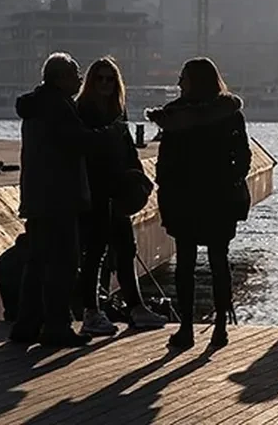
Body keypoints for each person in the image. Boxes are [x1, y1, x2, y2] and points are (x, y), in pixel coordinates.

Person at [147, 57, 251, 351]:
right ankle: (220, 327)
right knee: (219, 261)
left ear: (195, 80)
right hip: (219, 198)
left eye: (183, 77)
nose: (179, 83)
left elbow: (166, 162)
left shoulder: (174, 115)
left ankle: (187, 328)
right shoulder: (229, 113)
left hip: (184, 198)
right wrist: (230, 179)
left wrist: (166, 190)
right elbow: (242, 156)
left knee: (185, 265)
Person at [11, 53, 106, 347]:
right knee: (63, 263)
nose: (80, 79)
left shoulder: (35, 106)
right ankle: (56, 326)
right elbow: (77, 141)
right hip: (60, 197)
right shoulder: (58, 107)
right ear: (60, 78)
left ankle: (26, 325)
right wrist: (106, 136)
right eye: (75, 73)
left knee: (37, 261)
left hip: (37, 195)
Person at [74, 57, 168, 337]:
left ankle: (136, 307)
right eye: (100, 78)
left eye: (110, 79)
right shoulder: (84, 112)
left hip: (118, 190)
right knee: (95, 253)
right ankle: (91, 311)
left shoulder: (117, 111)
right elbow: (87, 150)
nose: (105, 83)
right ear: (91, 82)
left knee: (126, 249)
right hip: (96, 192)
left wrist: (137, 173)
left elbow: (128, 149)